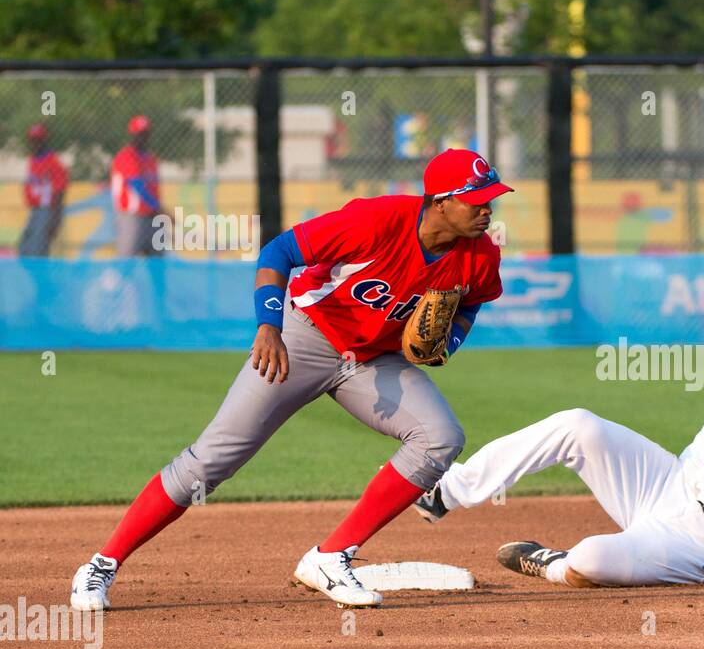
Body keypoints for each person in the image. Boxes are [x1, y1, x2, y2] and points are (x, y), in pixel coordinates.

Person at [70, 149, 510, 610]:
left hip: (372, 360)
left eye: (491, 198)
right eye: (476, 199)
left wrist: (450, 343)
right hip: (305, 336)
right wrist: (268, 326)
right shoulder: (375, 221)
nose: (487, 208)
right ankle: (102, 563)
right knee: (210, 462)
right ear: (439, 202)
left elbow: (471, 303)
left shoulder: (480, 256)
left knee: (440, 437)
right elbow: (279, 251)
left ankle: (332, 556)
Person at [412, 181, 704, 589]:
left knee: (591, 559)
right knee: (577, 425)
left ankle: (555, 564)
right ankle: (445, 491)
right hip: (667, 481)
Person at [110, 115, 162, 256]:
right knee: (126, 261)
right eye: (139, 134)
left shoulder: (151, 159)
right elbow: (137, 186)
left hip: (152, 216)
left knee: (157, 262)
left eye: (145, 134)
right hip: (132, 216)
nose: (142, 138)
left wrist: (158, 210)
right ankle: (114, 279)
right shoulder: (126, 156)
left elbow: (154, 189)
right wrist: (158, 208)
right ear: (132, 135)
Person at [18, 124, 68, 257]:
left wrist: (55, 219)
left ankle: (41, 277)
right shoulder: (33, 160)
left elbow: (59, 192)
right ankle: (33, 277)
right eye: (32, 140)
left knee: (37, 250)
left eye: (38, 140)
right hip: (34, 210)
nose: (34, 144)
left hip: (47, 210)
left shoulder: (53, 162)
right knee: (24, 247)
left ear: (44, 141)